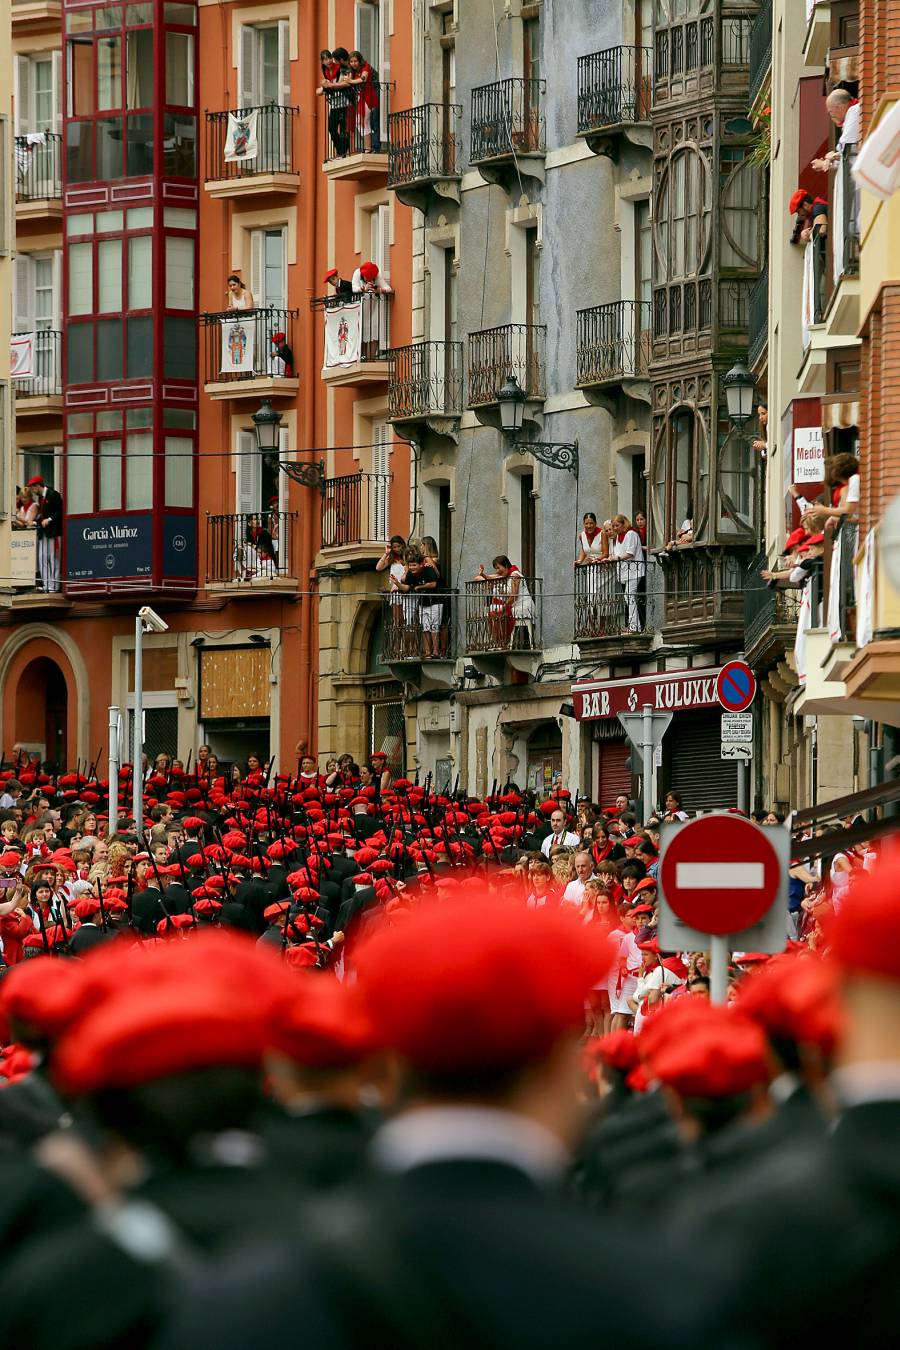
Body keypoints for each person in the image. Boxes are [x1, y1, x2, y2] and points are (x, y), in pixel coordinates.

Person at [472, 556, 536, 650]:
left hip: (524, 606)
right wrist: (483, 574)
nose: (497, 571)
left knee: (501, 614)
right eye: (496, 568)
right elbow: (483, 578)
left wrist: (505, 606)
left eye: (498, 568)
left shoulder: (515, 575)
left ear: (506, 566)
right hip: (516, 605)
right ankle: (500, 642)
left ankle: (503, 643)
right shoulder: (508, 574)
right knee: (495, 614)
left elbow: (514, 596)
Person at [607, 514, 644, 634]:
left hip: (634, 570)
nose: (615, 528)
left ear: (624, 524)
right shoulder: (618, 538)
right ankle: (633, 625)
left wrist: (617, 558)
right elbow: (619, 553)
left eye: (617, 525)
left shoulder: (631, 534)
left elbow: (630, 553)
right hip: (626, 571)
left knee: (630, 596)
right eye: (613, 526)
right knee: (628, 597)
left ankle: (635, 626)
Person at [28, 476, 62, 593]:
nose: (32, 491)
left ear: (38, 486)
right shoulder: (42, 498)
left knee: (53, 559)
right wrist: (35, 522)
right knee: (43, 558)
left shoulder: (53, 495)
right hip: (44, 533)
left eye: (33, 488)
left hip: (52, 533)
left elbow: (60, 511)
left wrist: (49, 519)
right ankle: (47, 584)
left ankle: (54, 586)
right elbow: (43, 516)